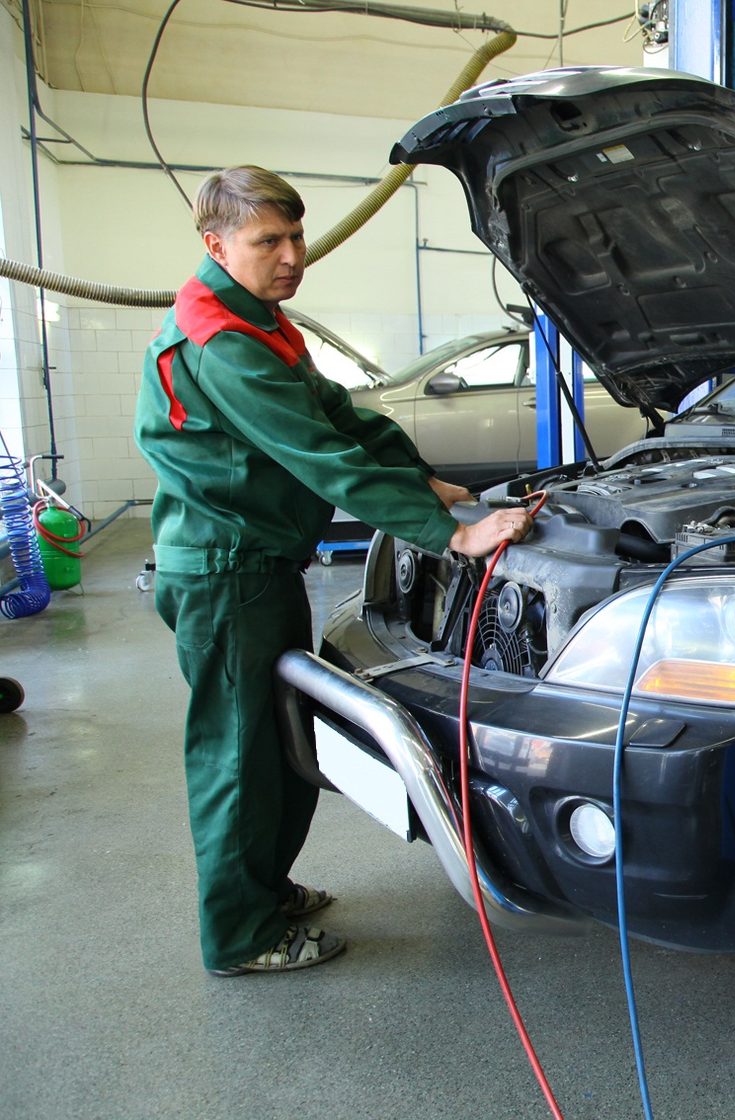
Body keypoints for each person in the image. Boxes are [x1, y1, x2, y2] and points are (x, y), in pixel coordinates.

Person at [134, 166, 533, 976]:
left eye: (295, 236)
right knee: (238, 758)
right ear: (215, 245)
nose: (291, 256)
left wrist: (421, 474)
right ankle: (240, 934)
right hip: (225, 577)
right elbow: (321, 458)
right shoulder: (221, 344)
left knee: (278, 742)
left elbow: (342, 414)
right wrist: (447, 534)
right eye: (267, 242)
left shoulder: (257, 322)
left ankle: (265, 888)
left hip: (258, 566)